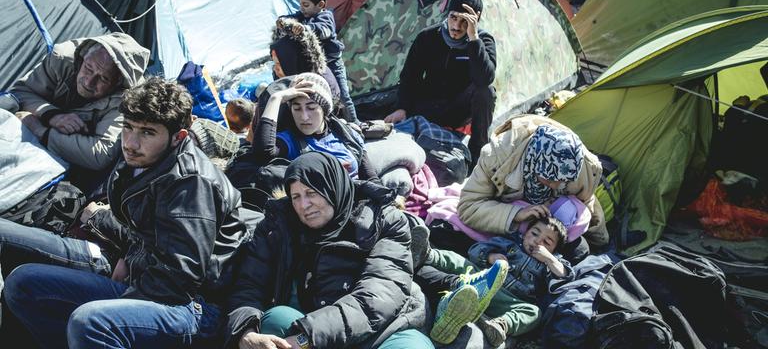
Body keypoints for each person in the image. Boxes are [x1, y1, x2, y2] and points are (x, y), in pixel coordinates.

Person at [4, 77, 249, 348]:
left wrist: (122, 296)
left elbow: (181, 277)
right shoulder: (143, 160)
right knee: (23, 283)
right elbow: (145, 230)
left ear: (177, 137)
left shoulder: (191, 183)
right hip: (147, 281)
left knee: (91, 321)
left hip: (193, 306)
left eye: (147, 132)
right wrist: (129, 255)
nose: (131, 143)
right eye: (128, 127)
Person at [223, 151, 433, 349]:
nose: (304, 205)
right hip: (311, 328)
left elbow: (378, 298)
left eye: (311, 193)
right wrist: (244, 332)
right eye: (296, 196)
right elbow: (249, 284)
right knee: (276, 318)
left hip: (382, 330)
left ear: (333, 187)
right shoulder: (278, 225)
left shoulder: (384, 220)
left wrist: (307, 338)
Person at [383, 0, 496, 168]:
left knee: (487, 92)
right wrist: (402, 107)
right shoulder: (428, 37)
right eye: (453, 17)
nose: (457, 26)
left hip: (458, 111)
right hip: (429, 107)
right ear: (447, 14)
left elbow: (485, 80)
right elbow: (409, 76)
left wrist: (474, 39)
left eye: (464, 21)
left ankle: (476, 154)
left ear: (475, 20)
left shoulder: (483, 41)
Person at [458, 114, 609, 248]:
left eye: (564, 181)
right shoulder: (497, 157)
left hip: (550, 231)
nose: (558, 185)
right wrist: (516, 215)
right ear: (534, 163)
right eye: (550, 179)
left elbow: (587, 206)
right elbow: (468, 207)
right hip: (508, 218)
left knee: (581, 248)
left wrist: (600, 243)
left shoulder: (584, 169)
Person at [6, 33, 149, 173]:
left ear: (118, 82)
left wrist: (41, 131)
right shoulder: (61, 59)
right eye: (88, 68)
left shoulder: (127, 100)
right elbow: (20, 91)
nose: (89, 82)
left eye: (103, 78)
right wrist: (51, 114)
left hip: (64, 166)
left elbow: (100, 154)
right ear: (83, 57)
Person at [420, 216, 573, 346]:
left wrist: (549, 259)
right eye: (534, 233)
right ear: (525, 233)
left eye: (547, 242)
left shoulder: (548, 265)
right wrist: (490, 256)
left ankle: (500, 325)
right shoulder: (509, 243)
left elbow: (566, 276)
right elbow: (475, 249)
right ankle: (428, 254)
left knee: (534, 312)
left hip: (508, 301)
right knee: (461, 261)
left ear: (554, 250)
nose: (537, 242)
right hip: (481, 281)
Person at [252, 72, 377, 180]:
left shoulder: (347, 134)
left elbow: (371, 178)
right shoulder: (290, 141)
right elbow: (262, 153)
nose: (304, 117)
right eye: (297, 109)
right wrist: (276, 98)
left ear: (324, 110)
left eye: (311, 108)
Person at [278, 0, 358, 123]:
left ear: (320, 4)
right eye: (300, 4)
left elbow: (324, 30)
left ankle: (355, 124)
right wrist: (284, 21)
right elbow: (292, 17)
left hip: (332, 63)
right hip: (315, 65)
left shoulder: (326, 17)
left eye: (306, 5)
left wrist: (306, 29)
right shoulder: (302, 15)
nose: (302, 8)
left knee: (343, 97)